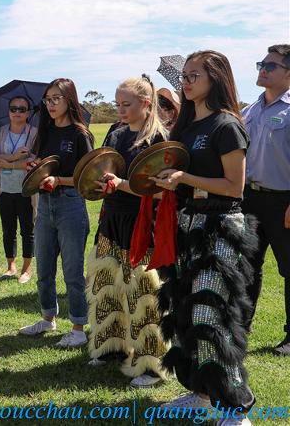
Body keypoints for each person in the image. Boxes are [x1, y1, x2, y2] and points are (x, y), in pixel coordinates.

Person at [152, 51, 256, 425]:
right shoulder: (185, 126)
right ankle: (200, 394)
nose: (187, 80)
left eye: (195, 74)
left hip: (220, 228)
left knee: (212, 317)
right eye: (185, 75)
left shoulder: (226, 125)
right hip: (185, 226)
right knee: (184, 315)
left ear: (216, 77)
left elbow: (234, 187)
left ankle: (236, 408)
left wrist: (185, 178)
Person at [85, 75, 169, 388]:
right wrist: (99, 184)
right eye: (117, 103)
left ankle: (151, 362)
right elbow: (103, 171)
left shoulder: (160, 139)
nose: (120, 109)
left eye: (126, 104)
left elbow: (163, 192)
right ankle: (112, 347)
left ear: (146, 104)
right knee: (107, 287)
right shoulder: (117, 133)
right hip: (113, 222)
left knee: (144, 295)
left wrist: (121, 185)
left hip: (143, 225)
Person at [18, 78, 93, 349]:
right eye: (47, 100)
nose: (50, 104)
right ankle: (47, 318)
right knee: (44, 267)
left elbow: (88, 177)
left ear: (69, 100)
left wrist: (58, 181)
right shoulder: (46, 131)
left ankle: (78, 327)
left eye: (55, 99)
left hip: (70, 204)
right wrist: (33, 166)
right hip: (46, 204)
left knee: (72, 271)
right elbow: (42, 165)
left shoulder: (80, 134)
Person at [242, 44, 290, 356]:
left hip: (284, 201)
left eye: (270, 66)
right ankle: (240, 329)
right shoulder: (249, 109)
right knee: (247, 267)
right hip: (249, 200)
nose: (263, 69)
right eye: (262, 63)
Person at [0, 96, 37, 282]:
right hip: (4, 189)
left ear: (28, 113)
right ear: (8, 111)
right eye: (13, 108)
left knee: (27, 230)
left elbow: (34, 161)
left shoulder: (34, 133)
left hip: (27, 190)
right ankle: (10, 267)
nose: (17, 112)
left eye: (21, 109)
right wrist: (16, 157)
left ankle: (26, 269)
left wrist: (7, 163)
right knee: (8, 230)